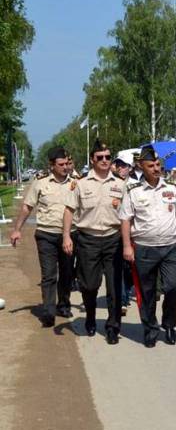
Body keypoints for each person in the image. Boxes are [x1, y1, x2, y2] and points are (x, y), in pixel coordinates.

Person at [118, 145, 176, 348]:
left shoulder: (171, 187)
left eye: (158, 164)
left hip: (171, 246)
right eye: (150, 165)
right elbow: (125, 220)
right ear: (141, 167)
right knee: (147, 292)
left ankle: (169, 324)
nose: (156, 168)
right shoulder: (133, 191)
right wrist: (127, 246)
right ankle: (150, 328)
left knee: (173, 287)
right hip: (144, 248)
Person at [62, 139, 124, 344]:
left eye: (108, 157)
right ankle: (90, 317)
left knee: (114, 286)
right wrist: (66, 236)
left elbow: (128, 215)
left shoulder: (120, 184)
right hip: (87, 239)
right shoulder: (80, 184)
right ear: (92, 159)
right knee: (89, 285)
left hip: (113, 239)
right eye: (100, 157)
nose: (105, 160)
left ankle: (113, 326)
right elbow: (69, 210)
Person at [10, 147, 76, 326]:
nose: (65, 167)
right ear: (52, 165)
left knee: (67, 272)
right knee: (49, 274)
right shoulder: (40, 183)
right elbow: (27, 206)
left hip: (69, 236)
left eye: (66, 164)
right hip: (46, 234)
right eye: (61, 164)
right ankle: (48, 311)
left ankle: (63, 303)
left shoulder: (76, 183)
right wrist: (17, 229)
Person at [112, 150, 135, 315]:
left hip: (134, 233)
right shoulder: (111, 183)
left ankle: (126, 293)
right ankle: (122, 300)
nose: (120, 168)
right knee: (118, 267)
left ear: (130, 167)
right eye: (118, 164)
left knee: (130, 270)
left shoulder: (136, 185)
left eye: (124, 165)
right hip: (115, 232)